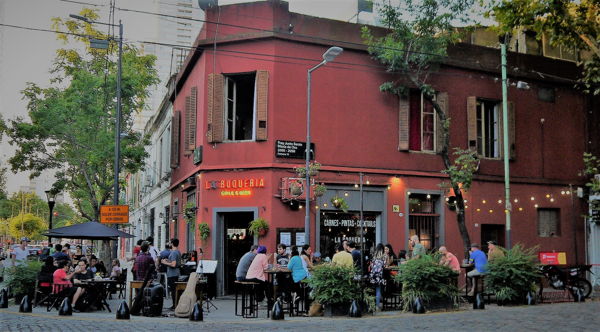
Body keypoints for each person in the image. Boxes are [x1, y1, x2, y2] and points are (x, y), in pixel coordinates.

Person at [161, 238, 181, 309]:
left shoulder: (173, 252)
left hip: (172, 274)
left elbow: (173, 264)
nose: (169, 244)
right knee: (174, 290)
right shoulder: (177, 251)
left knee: (173, 291)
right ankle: (175, 305)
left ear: (172, 244)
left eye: (170, 243)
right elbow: (173, 262)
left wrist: (164, 262)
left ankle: (174, 305)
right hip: (176, 273)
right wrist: (168, 260)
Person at [369, 243, 387, 310]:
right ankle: (377, 305)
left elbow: (371, 265)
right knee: (379, 289)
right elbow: (385, 266)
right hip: (380, 274)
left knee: (375, 290)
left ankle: (374, 305)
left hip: (373, 274)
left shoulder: (374, 255)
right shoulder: (384, 256)